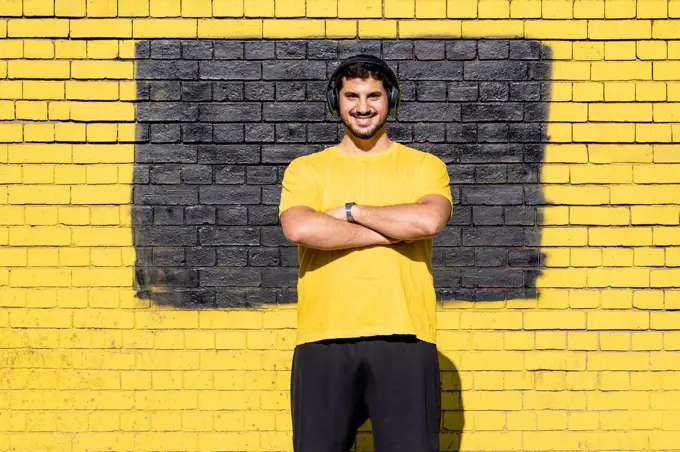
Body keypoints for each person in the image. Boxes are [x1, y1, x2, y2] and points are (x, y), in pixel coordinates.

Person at [278, 54, 453, 452]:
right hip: (324, 337)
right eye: (351, 96)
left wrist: (351, 212)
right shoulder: (307, 170)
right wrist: (393, 231)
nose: (362, 107)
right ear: (335, 102)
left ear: (390, 99)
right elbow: (300, 228)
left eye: (374, 95)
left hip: (405, 335)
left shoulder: (424, 166)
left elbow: (427, 223)